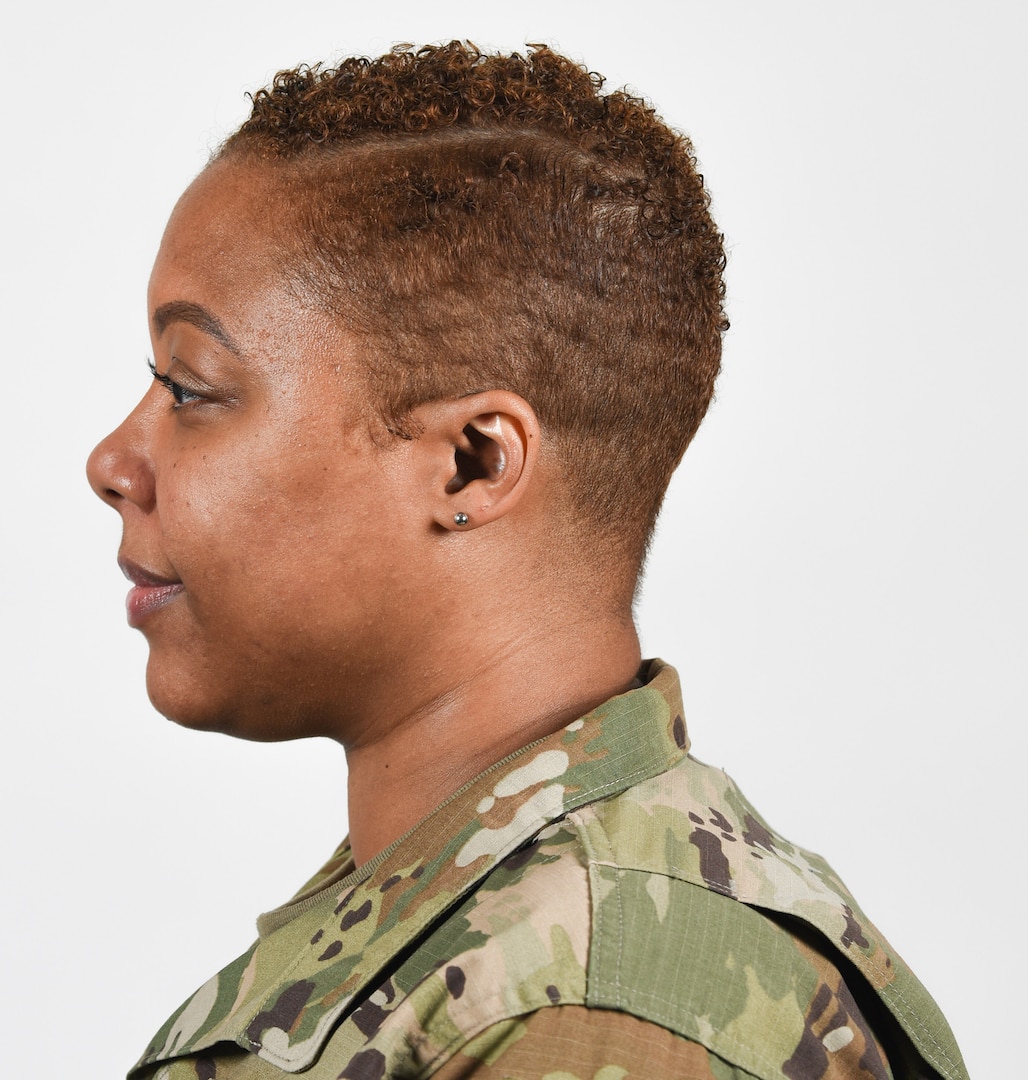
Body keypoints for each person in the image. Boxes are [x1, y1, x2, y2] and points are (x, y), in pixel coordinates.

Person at [87, 42, 967, 1080]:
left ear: (471, 463)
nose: (111, 462)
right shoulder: (479, 938)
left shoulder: (601, 1015)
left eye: (190, 388)